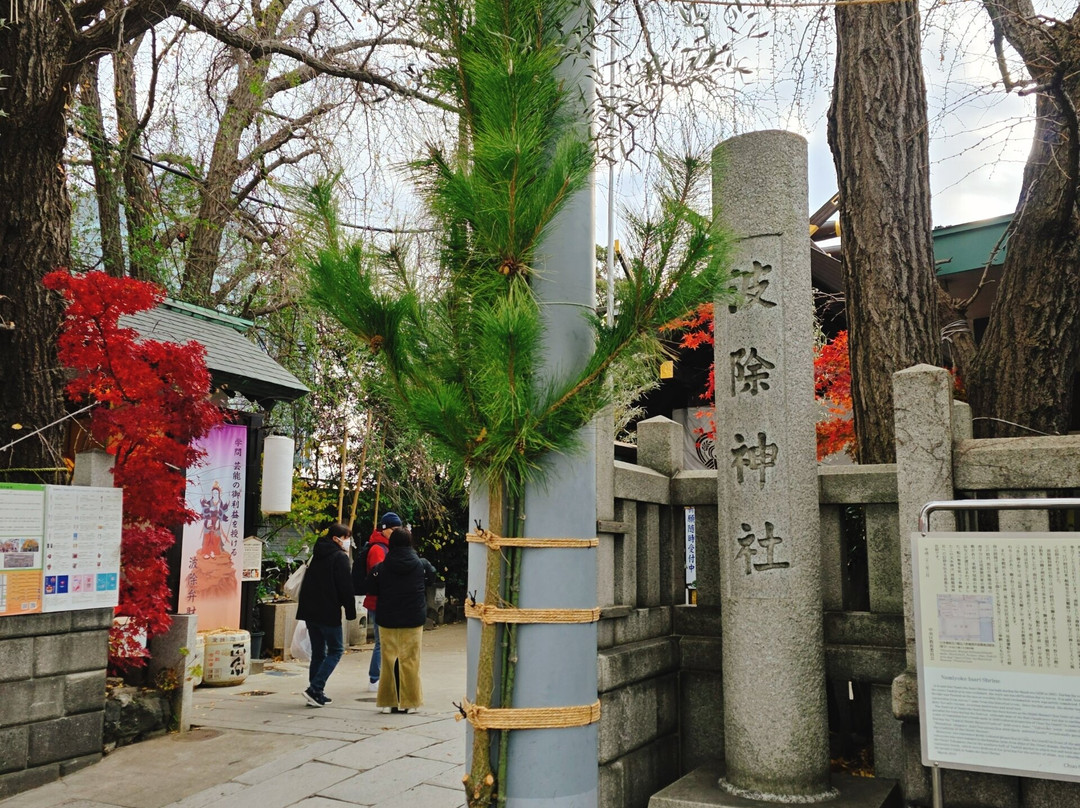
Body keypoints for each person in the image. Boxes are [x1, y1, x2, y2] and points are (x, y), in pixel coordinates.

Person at [365, 527, 436, 714]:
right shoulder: (421, 565)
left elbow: (371, 587)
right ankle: (410, 702)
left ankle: (388, 702)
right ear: (410, 542)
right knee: (411, 659)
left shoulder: (381, 567)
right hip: (413, 618)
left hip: (387, 618)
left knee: (389, 660)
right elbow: (431, 579)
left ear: (392, 543)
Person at [296, 522, 357, 707]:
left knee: (318, 652)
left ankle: (315, 693)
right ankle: (315, 688)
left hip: (310, 611)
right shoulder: (340, 558)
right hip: (328, 611)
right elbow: (345, 587)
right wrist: (350, 611)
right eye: (346, 538)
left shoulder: (317, 554)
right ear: (336, 539)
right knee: (336, 650)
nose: (348, 542)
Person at [353, 511, 400, 692]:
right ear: (384, 528)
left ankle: (380, 677)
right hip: (378, 601)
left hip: (384, 601)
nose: (395, 532)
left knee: (386, 641)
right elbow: (378, 576)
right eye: (393, 529)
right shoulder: (378, 549)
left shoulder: (388, 547)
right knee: (382, 642)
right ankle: (374, 679)